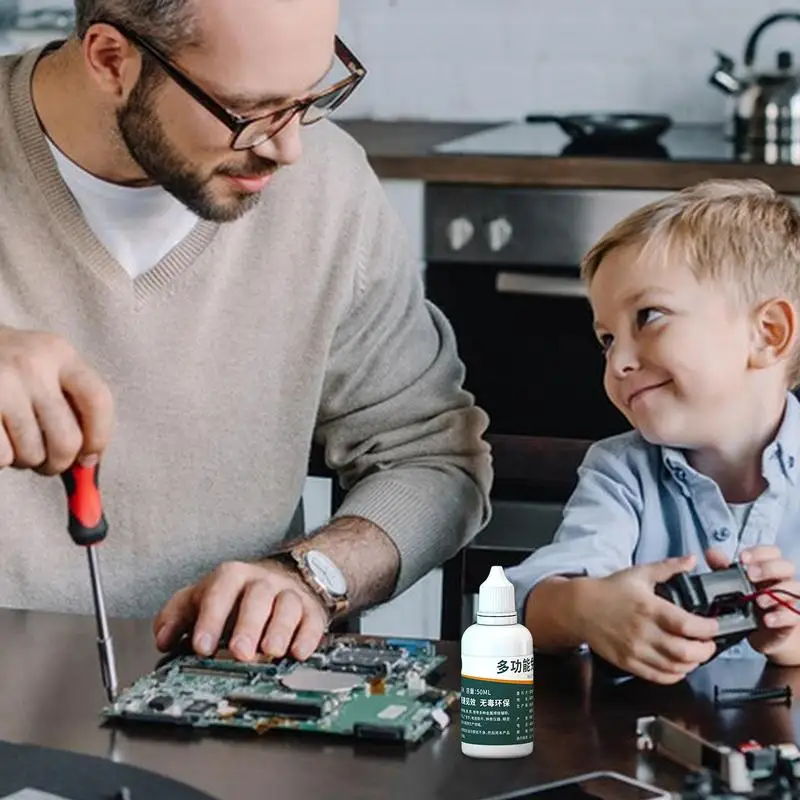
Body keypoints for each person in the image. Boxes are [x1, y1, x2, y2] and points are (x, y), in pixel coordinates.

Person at [0, 0, 491, 664]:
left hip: (222, 710)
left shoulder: (326, 187)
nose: (288, 147)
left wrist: (312, 576)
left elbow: (431, 458)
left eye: (312, 94)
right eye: (248, 109)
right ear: (111, 59)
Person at [507, 179, 800, 684]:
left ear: (766, 334)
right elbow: (519, 609)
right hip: (640, 749)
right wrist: (586, 608)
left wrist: (792, 639)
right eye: (606, 339)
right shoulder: (620, 471)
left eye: (650, 316)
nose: (617, 361)